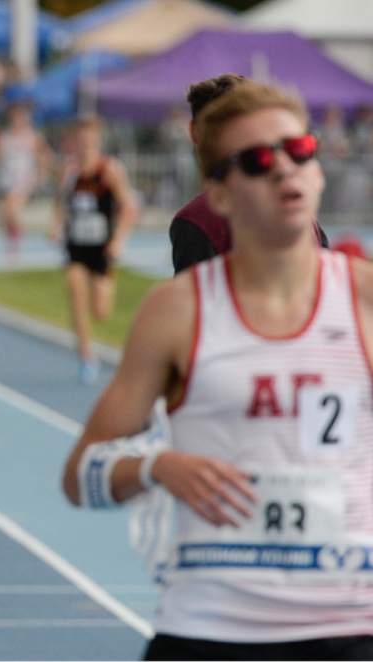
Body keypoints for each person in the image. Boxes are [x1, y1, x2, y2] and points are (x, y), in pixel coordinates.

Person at [62, 81, 373, 660]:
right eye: (256, 161)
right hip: (211, 626)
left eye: (299, 151)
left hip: (345, 627)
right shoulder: (177, 312)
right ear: (220, 195)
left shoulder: (362, 300)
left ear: (319, 170)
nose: (285, 171)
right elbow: (82, 475)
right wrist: (157, 466)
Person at [170, 73, 328, 273]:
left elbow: (195, 300)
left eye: (298, 148)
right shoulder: (299, 211)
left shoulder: (197, 218)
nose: (284, 167)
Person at [49, 115, 137, 384]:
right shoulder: (68, 171)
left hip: (102, 248)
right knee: (76, 295)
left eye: (90, 140)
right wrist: (56, 224)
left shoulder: (109, 170)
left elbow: (129, 208)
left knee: (101, 310)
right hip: (76, 246)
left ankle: (92, 344)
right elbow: (61, 203)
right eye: (81, 140)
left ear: (98, 141)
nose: (85, 145)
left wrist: (118, 239)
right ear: (74, 142)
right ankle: (87, 357)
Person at [0, 100, 53, 256]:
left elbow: (45, 156)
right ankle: (14, 243)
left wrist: (41, 174)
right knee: (5, 212)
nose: (17, 119)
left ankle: (23, 238)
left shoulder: (31, 136)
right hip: (7, 179)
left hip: (24, 179)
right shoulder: (5, 136)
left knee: (11, 207)